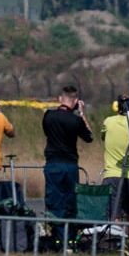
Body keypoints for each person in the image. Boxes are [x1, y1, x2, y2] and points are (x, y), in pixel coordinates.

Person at [41, 83, 94, 226]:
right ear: (76, 102)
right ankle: (68, 236)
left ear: (60, 99)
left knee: (54, 201)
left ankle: (56, 234)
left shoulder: (48, 116)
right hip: (70, 165)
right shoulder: (75, 120)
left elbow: (47, 133)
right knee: (70, 202)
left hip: (52, 164)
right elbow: (89, 137)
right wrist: (82, 114)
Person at [100, 96, 129, 220]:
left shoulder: (108, 121)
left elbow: (103, 137)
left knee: (114, 214)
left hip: (112, 174)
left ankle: (116, 238)